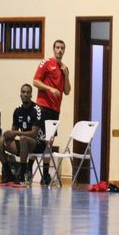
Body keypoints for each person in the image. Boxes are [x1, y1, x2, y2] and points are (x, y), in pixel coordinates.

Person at [33, 40, 71, 185]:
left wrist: (66, 75)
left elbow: (67, 91)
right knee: (38, 139)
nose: (60, 50)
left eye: (62, 48)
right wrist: (50, 89)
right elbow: (35, 81)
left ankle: (46, 173)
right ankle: (28, 170)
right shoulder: (46, 63)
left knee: (49, 141)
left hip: (55, 110)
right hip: (43, 107)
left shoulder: (64, 68)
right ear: (53, 49)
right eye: (57, 47)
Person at [0, 84, 45, 186]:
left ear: (31, 95)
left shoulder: (37, 110)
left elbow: (34, 134)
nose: (25, 94)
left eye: (28, 92)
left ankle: (22, 176)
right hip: (23, 145)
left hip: (38, 144)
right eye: (23, 92)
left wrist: (16, 133)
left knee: (23, 138)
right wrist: (3, 137)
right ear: (20, 94)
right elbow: (12, 133)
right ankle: (8, 174)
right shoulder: (17, 110)